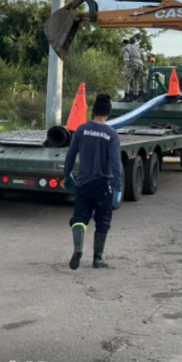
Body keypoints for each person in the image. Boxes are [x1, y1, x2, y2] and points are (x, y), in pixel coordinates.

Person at [63, 94, 123, 271]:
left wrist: (67, 175)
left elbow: (70, 155)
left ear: (93, 111)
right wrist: (118, 188)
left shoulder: (81, 130)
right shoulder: (111, 134)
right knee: (103, 221)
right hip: (103, 185)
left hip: (83, 183)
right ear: (108, 113)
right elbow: (115, 163)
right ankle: (98, 258)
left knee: (79, 218)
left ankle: (78, 249)